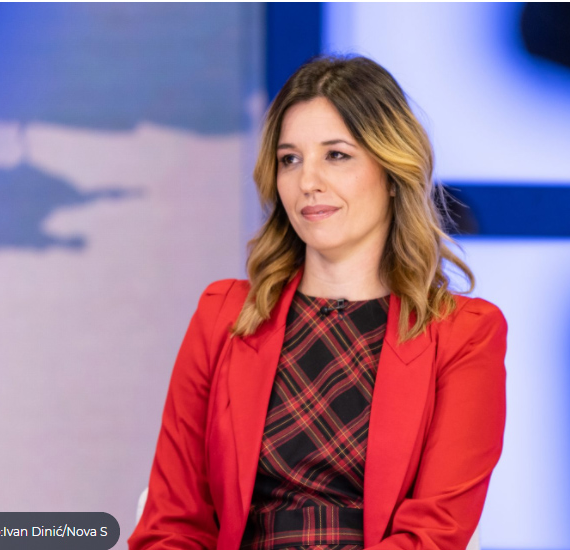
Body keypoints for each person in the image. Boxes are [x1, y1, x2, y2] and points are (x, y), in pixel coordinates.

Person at [128, 55, 507, 550]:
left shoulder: (464, 333)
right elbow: (172, 525)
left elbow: (433, 534)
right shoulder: (223, 314)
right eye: (290, 159)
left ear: (392, 171)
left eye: (336, 155)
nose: (308, 182)